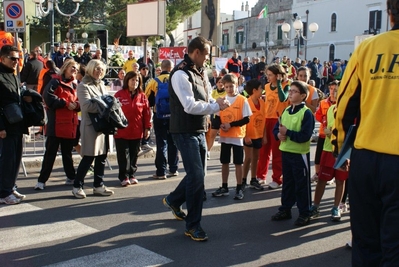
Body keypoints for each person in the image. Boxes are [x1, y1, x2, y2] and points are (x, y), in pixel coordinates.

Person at [332, 1, 399, 265]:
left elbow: (344, 106)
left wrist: (341, 150)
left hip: (366, 158)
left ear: (389, 13)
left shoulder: (369, 48)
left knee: (366, 242)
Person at [162, 36, 229, 242]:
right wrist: (215, 107)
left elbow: (206, 98)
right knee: (197, 177)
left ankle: (174, 200)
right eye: (207, 54)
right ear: (196, 52)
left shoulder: (201, 71)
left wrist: (214, 104)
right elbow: (189, 106)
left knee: (198, 175)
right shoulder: (181, 74)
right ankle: (193, 225)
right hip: (183, 130)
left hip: (199, 129)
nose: (208, 59)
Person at [271, 81, 315, 226]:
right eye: (290, 91)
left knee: (302, 184)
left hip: (299, 154)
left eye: (294, 91)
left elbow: (305, 136)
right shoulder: (286, 111)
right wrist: (279, 135)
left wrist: (287, 133)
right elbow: (276, 129)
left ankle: (305, 212)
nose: (290, 93)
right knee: (288, 183)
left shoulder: (306, 113)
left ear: (303, 96)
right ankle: (286, 208)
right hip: (286, 152)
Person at [34, 60, 80, 190]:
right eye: (72, 67)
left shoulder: (76, 85)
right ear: (65, 68)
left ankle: (71, 177)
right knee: (50, 154)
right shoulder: (55, 81)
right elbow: (47, 96)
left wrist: (76, 105)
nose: (75, 70)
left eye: (76, 68)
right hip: (56, 123)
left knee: (67, 153)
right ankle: (41, 180)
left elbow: (80, 102)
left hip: (70, 123)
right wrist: (65, 103)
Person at [72, 59, 114, 199]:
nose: (99, 72)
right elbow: (86, 106)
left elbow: (107, 101)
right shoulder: (83, 86)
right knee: (89, 157)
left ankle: (98, 185)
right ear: (90, 69)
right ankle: (77, 186)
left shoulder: (102, 84)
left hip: (103, 125)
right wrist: (105, 106)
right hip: (91, 125)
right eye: (97, 69)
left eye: (101, 69)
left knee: (102, 156)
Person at [310, 87, 348, 221]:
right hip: (328, 149)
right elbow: (327, 126)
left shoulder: (350, 110)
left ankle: (336, 207)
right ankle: (315, 206)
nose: (337, 94)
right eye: (335, 91)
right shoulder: (331, 109)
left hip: (343, 151)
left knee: (340, 180)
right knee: (321, 179)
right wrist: (327, 131)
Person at [211, 74, 251, 200]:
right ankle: (224, 186)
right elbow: (217, 117)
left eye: (231, 86)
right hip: (225, 136)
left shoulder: (242, 100)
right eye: (226, 86)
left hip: (238, 137)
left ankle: (239, 188)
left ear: (236, 85)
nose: (229, 89)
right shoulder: (222, 100)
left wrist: (231, 124)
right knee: (225, 162)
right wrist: (218, 128)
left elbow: (246, 119)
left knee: (238, 163)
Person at [0, 45, 30, 204]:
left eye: (18, 59)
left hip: (17, 122)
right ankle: (4, 192)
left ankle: (10, 186)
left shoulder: (13, 75)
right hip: (6, 125)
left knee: (16, 158)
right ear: (3, 58)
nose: (16, 61)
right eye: (12, 58)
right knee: (7, 159)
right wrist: (1, 127)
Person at [114, 71, 151, 186]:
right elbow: (113, 112)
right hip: (121, 131)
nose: (135, 82)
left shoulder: (142, 96)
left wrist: (147, 128)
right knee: (123, 155)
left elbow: (147, 113)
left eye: (137, 80)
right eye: (132, 80)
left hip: (136, 130)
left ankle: (132, 174)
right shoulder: (119, 95)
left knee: (134, 154)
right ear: (127, 81)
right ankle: (124, 176)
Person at [256, 64, 290, 189]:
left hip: (279, 120)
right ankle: (260, 176)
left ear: (278, 75)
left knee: (277, 152)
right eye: (267, 75)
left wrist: (280, 83)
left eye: (270, 75)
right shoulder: (266, 87)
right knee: (264, 149)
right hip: (267, 119)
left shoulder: (287, 86)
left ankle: (277, 178)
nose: (268, 77)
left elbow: (282, 99)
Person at [145, 59, 179, 180]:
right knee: (173, 142)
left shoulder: (154, 82)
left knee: (161, 143)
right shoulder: (176, 80)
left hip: (159, 116)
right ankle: (173, 169)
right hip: (174, 116)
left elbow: (147, 99)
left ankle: (161, 172)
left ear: (162, 67)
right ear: (171, 67)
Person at [242, 79, 266, 191]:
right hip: (249, 135)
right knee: (248, 158)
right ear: (254, 90)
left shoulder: (262, 103)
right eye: (261, 88)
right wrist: (246, 135)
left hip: (259, 135)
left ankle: (253, 179)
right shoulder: (246, 102)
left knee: (256, 158)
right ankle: (242, 180)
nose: (262, 90)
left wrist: (264, 135)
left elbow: (264, 120)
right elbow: (243, 121)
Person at [312, 80, 338, 183]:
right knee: (319, 156)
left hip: (335, 135)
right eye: (331, 89)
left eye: (335, 90)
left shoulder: (340, 103)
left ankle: (332, 176)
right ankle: (318, 174)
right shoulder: (323, 102)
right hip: (323, 134)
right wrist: (323, 118)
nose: (333, 92)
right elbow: (318, 115)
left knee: (333, 156)